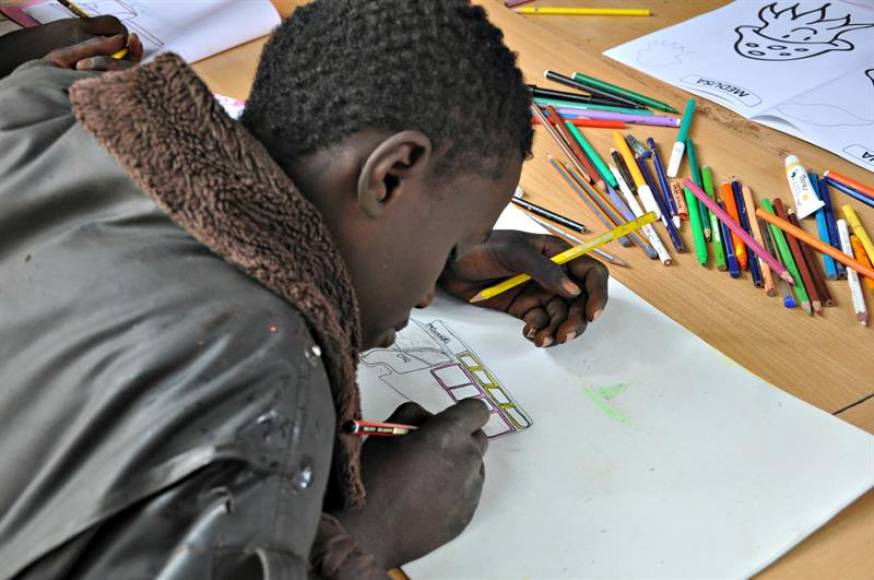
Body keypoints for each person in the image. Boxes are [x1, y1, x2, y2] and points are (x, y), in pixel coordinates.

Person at [0, 1, 608, 578]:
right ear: (390, 176)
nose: (426, 299)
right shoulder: (267, 403)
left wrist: (418, 255)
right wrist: (369, 532)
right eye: (449, 247)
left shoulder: (51, 99)